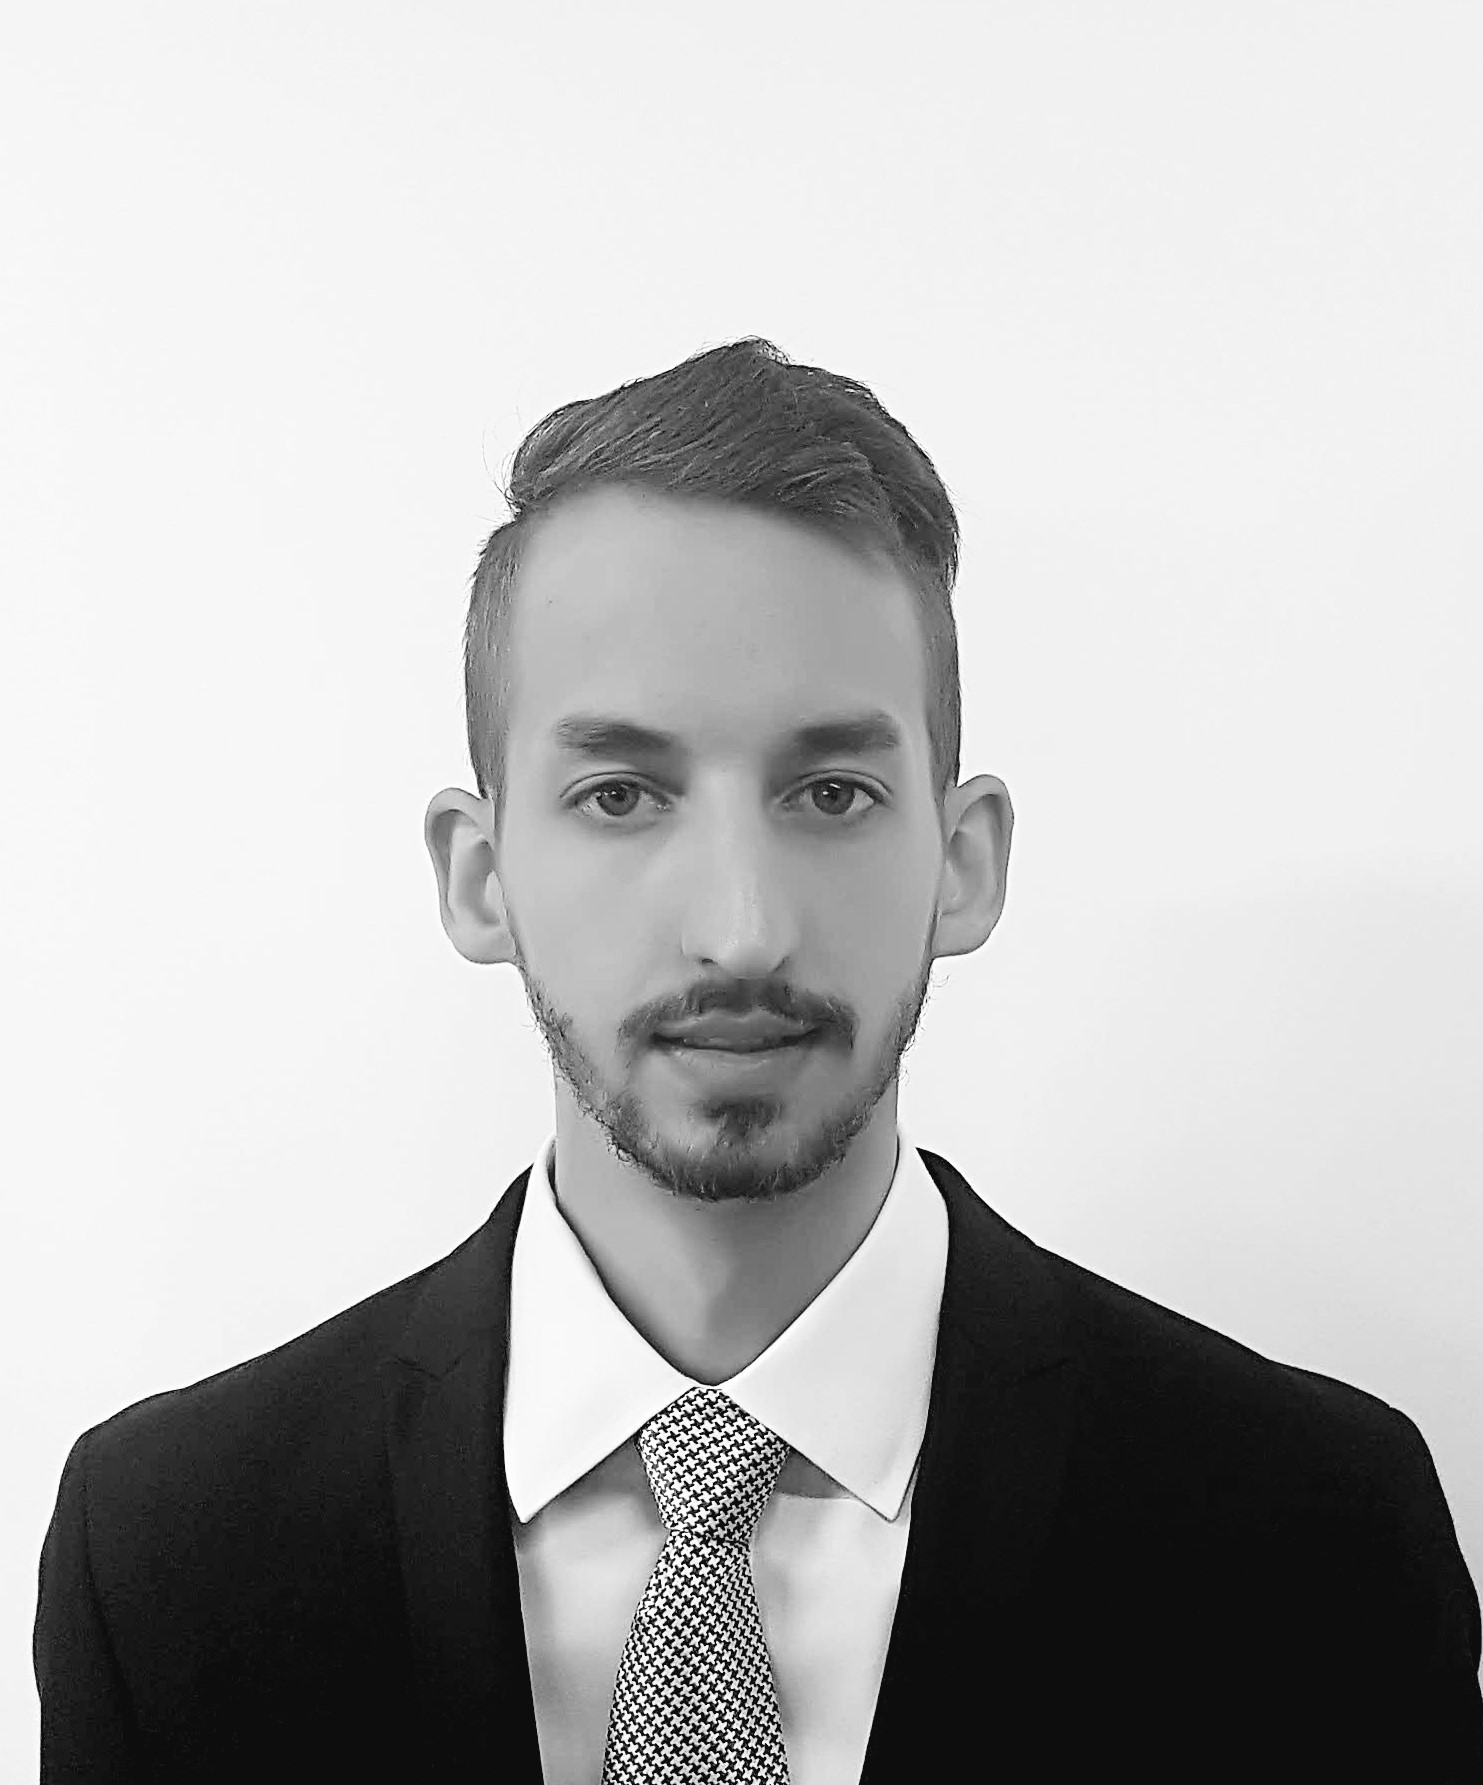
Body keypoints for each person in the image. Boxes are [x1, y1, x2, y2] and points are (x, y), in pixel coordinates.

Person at [35, 337, 1482, 1782]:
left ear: (964, 862)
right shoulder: (169, 1555)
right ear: (479, 877)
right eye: (621, 794)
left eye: (832, 792)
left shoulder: (1317, 1540)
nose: (740, 929)